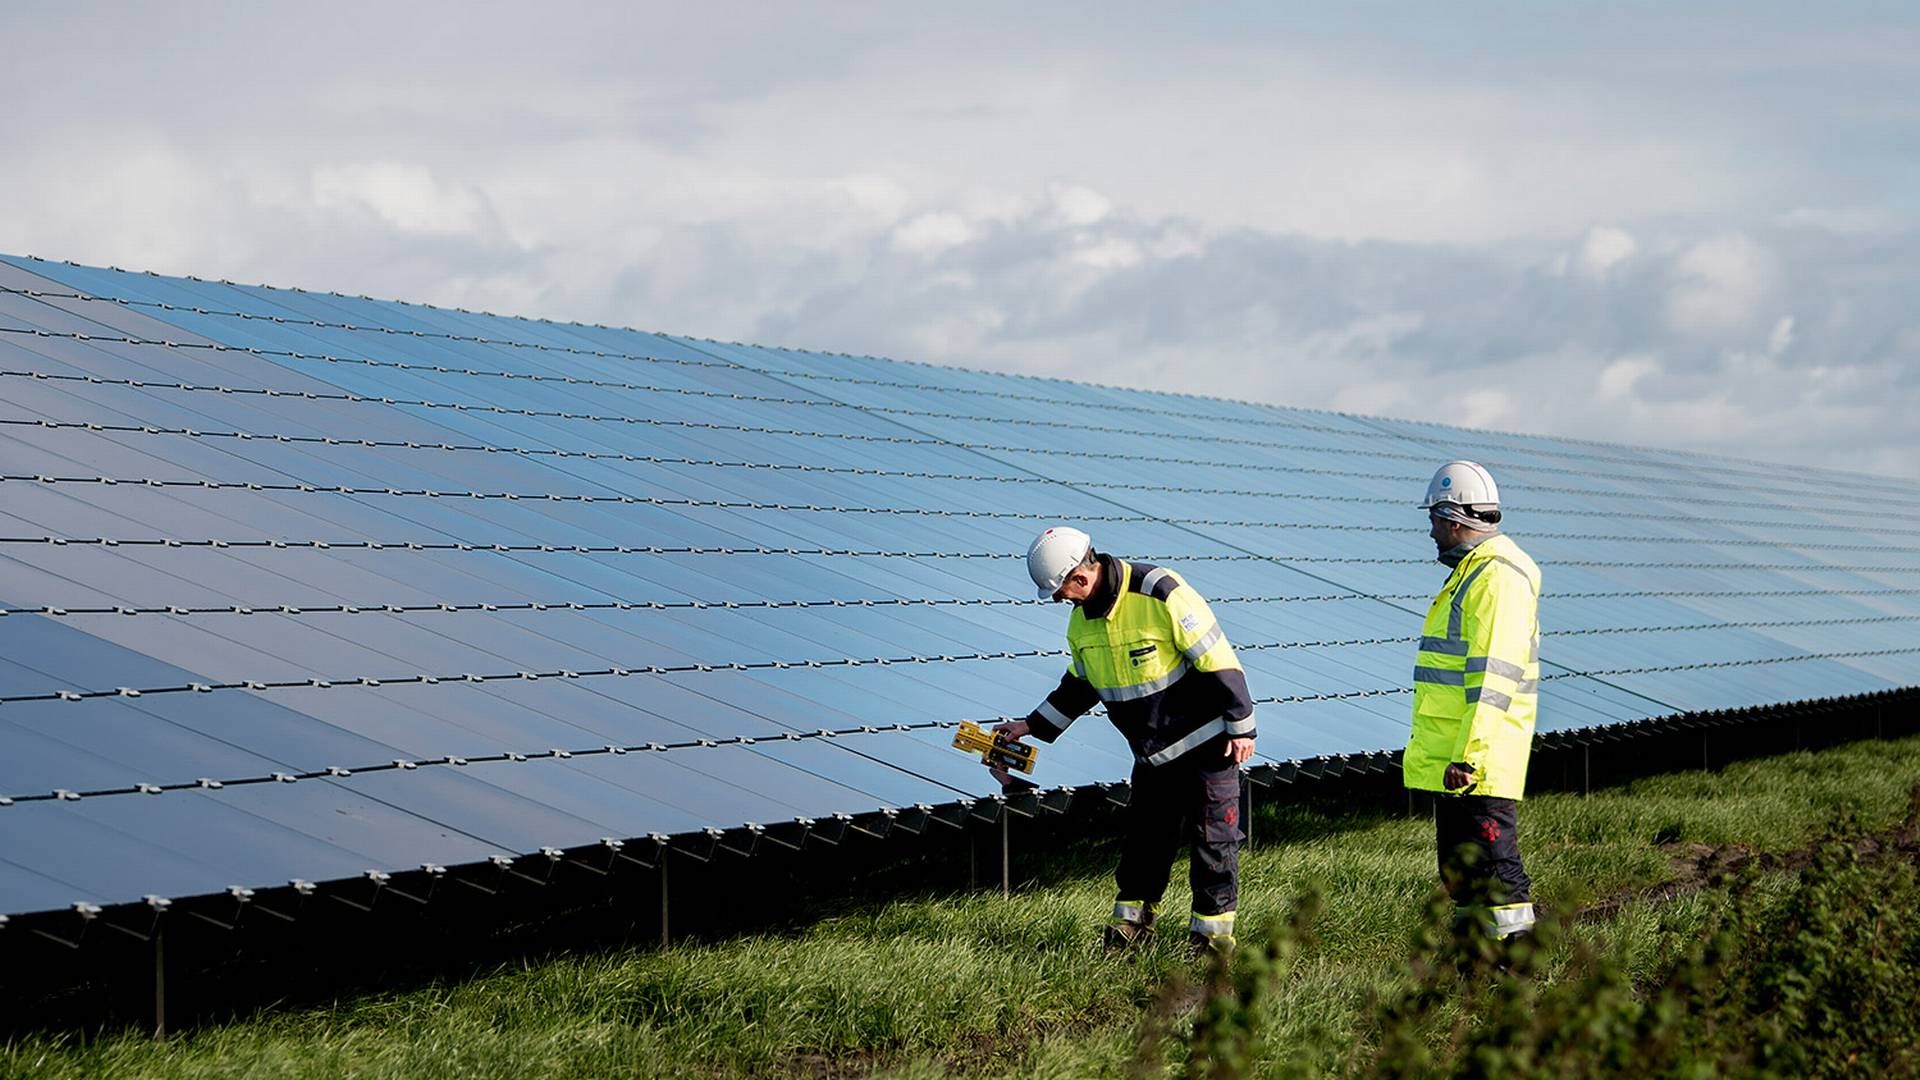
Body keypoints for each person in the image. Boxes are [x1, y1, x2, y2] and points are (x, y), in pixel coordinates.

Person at [994, 526, 1256, 954]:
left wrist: (1241, 723)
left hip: (1209, 747)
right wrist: (1030, 726)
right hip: (1153, 758)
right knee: (1144, 846)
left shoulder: (1160, 592)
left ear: (1079, 577)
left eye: (1060, 591)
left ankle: (1210, 948)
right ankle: (1129, 933)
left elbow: (1216, 656)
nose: (1059, 601)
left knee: (1214, 846)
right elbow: (1079, 686)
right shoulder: (1081, 624)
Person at [1404, 461, 1541, 940]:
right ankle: (1474, 968)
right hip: (1456, 757)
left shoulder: (1495, 579)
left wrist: (1470, 756)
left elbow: (1491, 678)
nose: (1431, 530)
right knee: (1463, 874)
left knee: (1497, 873)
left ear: (1454, 519)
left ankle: (1517, 976)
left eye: (1434, 520)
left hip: (1474, 760)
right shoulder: (1474, 573)